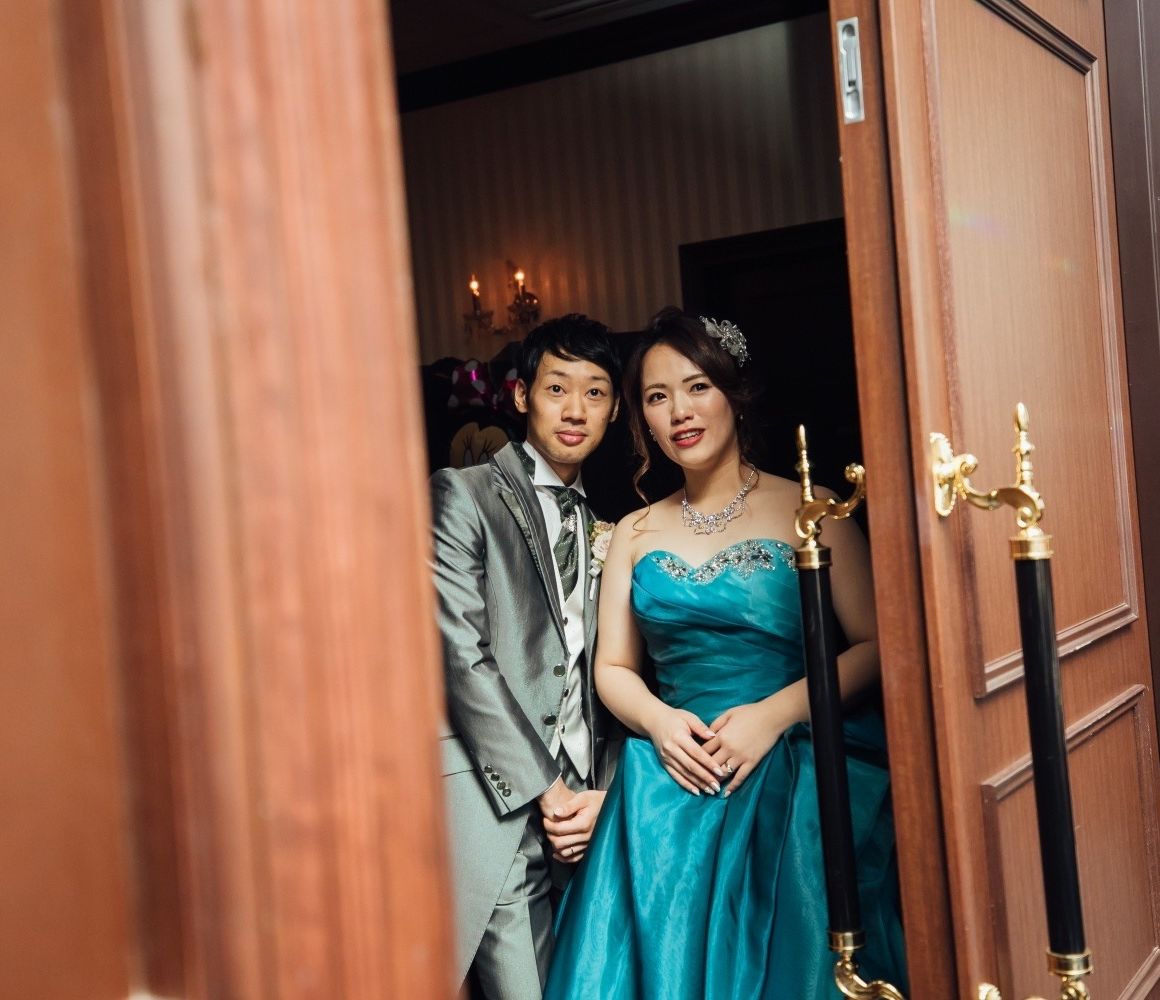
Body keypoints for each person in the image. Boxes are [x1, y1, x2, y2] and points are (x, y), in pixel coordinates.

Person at [543, 308, 907, 999]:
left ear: (734, 394)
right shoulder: (633, 532)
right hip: (678, 764)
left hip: (796, 759)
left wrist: (773, 716)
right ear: (644, 421)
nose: (679, 411)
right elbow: (613, 668)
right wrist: (659, 723)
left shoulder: (813, 507)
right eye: (657, 397)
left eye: (697, 387)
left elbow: (876, 645)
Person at [431, 314, 624, 999]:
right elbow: (461, 653)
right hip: (500, 801)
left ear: (615, 410)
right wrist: (549, 789)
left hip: (583, 816)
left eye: (595, 392)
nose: (575, 410)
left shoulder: (608, 525)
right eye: (557, 388)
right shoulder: (465, 494)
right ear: (521, 395)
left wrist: (600, 796)